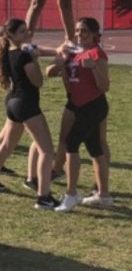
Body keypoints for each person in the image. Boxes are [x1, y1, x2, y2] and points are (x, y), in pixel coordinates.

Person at [0, 19, 59, 210]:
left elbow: (39, 51)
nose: (27, 34)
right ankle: (44, 197)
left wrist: (56, 51)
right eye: (23, 32)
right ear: (12, 36)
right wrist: (34, 59)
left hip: (12, 102)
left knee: (8, 145)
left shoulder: (7, 52)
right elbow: (38, 82)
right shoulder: (24, 56)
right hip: (26, 104)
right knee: (46, 150)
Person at [48, 18, 112, 212]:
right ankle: (103, 195)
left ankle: (71, 193)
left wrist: (93, 68)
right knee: (95, 149)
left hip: (94, 106)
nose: (79, 35)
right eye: (77, 31)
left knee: (71, 143)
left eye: (84, 31)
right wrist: (60, 60)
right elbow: (50, 72)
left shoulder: (97, 54)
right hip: (77, 105)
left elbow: (104, 86)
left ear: (94, 34)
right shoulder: (73, 52)